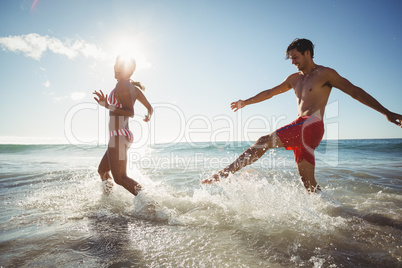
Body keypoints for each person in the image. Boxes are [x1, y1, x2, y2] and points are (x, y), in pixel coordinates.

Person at [202, 38, 402, 193]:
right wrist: (245, 101)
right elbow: (271, 92)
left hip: (312, 125)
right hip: (300, 126)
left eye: (295, 57)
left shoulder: (326, 74)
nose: (293, 62)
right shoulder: (294, 79)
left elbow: (355, 92)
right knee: (310, 187)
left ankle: (224, 173)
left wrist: (387, 113)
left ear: (308, 53)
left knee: (263, 141)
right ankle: (340, 217)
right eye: (291, 58)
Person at [93, 55, 153, 196]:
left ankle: (149, 201)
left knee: (120, 178)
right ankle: (109, 201)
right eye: (116, 65)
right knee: (102, 170)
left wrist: (108, 105)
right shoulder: (133, 88)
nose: (116, 68)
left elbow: (130, 112)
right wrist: (148, 116)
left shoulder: (123, 85)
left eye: (121, 66)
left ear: (129, 71)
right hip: (122, 135)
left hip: (119, 136)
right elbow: (150, 108)